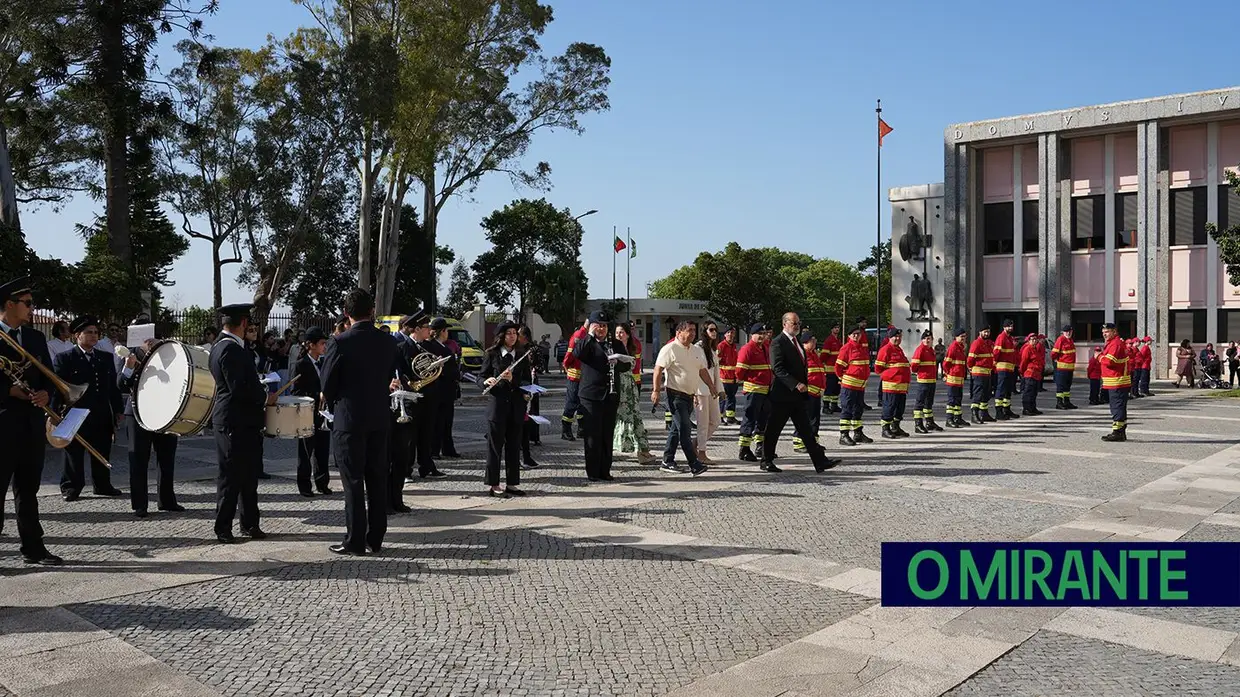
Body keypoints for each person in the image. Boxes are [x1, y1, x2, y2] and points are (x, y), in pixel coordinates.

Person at [320, 288, 407, 555]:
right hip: (380, 418)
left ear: (346, 313)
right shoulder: (388, 341)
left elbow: (327, 383)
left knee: (353, 481)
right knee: (377, 478)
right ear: (372, 312)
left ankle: (355, 539)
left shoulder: (340, 341)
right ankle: (376, 537)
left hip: (349, 419)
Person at [0, 277, 62, 565]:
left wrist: (46, 395)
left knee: (28, 491)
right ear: (9, 305)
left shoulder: (35, 338)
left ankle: (33, 548)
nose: (32, 309)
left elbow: (48, 376)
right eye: (27, 304)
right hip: (3, 425)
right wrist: (9, 391)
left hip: (31, 425)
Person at [209, 303, 276, 544]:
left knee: (248, 475)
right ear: (244, 323)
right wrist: (265, 397)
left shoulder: (227, 347)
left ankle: (249, 523)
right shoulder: (229, 349)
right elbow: (238, 387)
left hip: (243, 421)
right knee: (231, 475)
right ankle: (223, 527)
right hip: (233, 420)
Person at [51, 315, 124, 500]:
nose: (94, 336)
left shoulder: (105, 357)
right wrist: (53, 413)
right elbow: (57, 388)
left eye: (96, 333)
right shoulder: (65, 358)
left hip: (100, 412)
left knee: (102, 449)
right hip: (75, 413)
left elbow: (112, 387)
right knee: (73, 453)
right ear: (77, 335)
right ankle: (71, 487)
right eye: (89, 332)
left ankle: (102, 485)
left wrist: (118, 410)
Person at [762, 312, 838, 472]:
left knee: (806, 430)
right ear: (784, 324)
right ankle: (766, 460)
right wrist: (795, 384)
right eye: (793, 323)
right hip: (782, 395)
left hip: (797, 397)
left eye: (798, 323)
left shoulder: (796, 342)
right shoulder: (778, 343)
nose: (796, 326)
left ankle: (820, 462)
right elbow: (778, 369)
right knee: (774, 430)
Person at [119, 331, 184, 518]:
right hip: (138, 412)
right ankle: (140, 504)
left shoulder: (166, 352)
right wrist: (128, 368)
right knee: (138, 459)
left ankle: (167, 500)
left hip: (165, 412)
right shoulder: (128, 354)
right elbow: (121, 384)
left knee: (167, 458)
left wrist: (163, 346)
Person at [652, 319, 711, 476]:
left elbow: (702, 371)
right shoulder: (669, 349)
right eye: (689, 330)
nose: (692, 333)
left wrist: (712, 387)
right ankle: (694, 464)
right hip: (675, 395)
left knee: (676, 431)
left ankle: (667, 460)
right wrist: (656, 391)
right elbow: (658, 370)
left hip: (689, 395)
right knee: (685, 429)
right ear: (679, 332)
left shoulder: (696, 350)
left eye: (693, 330)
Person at [479, 321, 531, 498]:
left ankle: (512, 483)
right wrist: (486, 381)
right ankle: (493, 484)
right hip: (497, 407)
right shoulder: (492, 354)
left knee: (514, 447)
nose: (512, 336)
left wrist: (512, 381)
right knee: (494, 448)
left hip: (515, 407)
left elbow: (526, 383)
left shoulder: (522, 355)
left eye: (514, 333)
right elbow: (481, 376)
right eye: (508, 333)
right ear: (501, 336)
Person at [577, 311, 629, 481]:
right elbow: (578, 354)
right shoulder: (587, 343)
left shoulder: (615, 344)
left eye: (605, 325)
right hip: (591, 395)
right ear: (592, 325)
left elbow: (626, 365)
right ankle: (592, 471)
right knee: (593, 434)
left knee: (607, 433)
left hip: (611, 394)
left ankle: (605, 470)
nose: (602, 328)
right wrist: (589, 334)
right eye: (598, 325)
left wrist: (618, 363)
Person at [292, 327, 333, 497]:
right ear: (311, 345)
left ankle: (322, 483)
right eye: (322, 343)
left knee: (323, 450)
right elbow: (295, 392)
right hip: (307, 414)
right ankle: (304, 486)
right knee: (305, 451)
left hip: (323, 414)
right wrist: (317, 395)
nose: (325, 347)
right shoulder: (300, 365)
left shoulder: (324, 362)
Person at [613, 322, 656, 465]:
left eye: (622, 332)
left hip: (630, 386)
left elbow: (634, 367)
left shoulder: (633, 346)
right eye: (617, 332)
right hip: (617, 386)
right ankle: (611, 449)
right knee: (618, 418)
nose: (619, 335)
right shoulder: (611, 347)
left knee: (636, 417)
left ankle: (643, 450)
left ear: (627, 334)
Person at [425, 318, 462, 459]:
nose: (448, 334)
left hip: (447, 390)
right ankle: (435, 450)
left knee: (446, 422)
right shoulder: (433, 346)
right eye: (446, 330)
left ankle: (447, 448)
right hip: (441, 390)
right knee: (439, 422)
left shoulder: (443, 346)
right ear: (442, 331)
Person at [734, 323, 771, 461]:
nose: (762, 336)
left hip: (766, 390)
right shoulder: (747, 349)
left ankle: (760, 446)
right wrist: (750, 380)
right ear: (751, 335)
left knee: (763, 420)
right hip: (754, 390)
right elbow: (740, 372)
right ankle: (744, 449)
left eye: (763, 333)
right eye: (759, 334)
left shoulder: (765, 348)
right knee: (749, 419)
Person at [836, 325, 873, 444]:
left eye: (858, 334)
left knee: (858, 410)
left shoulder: (862, 348)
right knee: (847, 409)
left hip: (860, 386)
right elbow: (838, 367)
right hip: (849, 385)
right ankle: (844, 435)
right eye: (854, 334)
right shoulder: (846, 348)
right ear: (849, 336)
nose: (856, 336)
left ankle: (858, 433)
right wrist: (843, 378)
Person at [693, 320, 724, 465]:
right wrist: (693, 392)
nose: (714, 332)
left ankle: (694, 444)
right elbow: (695, 371)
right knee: (703, 423)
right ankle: (702, 453)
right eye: (711, 329)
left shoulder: (713, 349)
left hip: (712, 391)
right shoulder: (697, 348)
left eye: (715, 330)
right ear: (704, 331)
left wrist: (720, 389)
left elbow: (716, 372)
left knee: (715, 421)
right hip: (700, 390)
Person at [875, 327, 910, 439]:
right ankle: (885, 429)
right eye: (895, 336)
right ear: (890, 337)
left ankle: (896, 427)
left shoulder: (898, 349)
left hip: (901, 386)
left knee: (899, 408)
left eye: (899, 336)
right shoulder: (886, 349)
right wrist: (890, 376)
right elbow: (878, 368)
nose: (898, 338)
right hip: (891, 385)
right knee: (889, 407)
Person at [793, 331, 826, 451]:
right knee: (804, 419)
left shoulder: (814, 354)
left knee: (815, 419)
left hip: (816, 393)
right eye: (812, 340)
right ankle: (798, 442)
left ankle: (813, 443)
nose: (815, 342)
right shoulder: (802, 355)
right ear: (805, 342)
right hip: (807, 393)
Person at [1099, 323, 1131, 442]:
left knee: (1117, 407)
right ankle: (1120, 431)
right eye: (1103, 333)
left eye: (1107, 332)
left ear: (1114, 331)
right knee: (1119, 407)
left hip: (1117, 381)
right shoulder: (1113, 343)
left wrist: (1099, 357)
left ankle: (1117, 432)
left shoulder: (1115, 344)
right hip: (1115, 381)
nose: (1104, 334)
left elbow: (1109, 362)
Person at [517, 326, 542, 469]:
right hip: (517, 387)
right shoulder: (516, 350)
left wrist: (533, 370)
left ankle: (531, 442)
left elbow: (538, 366)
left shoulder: (531, 349)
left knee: (530, 415)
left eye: (517, 334)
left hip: (529, 385)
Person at [560, 318, 589, 440]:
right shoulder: (580, 335)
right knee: (571, 403)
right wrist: (566, 365)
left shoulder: (587, 335)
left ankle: (581, 429)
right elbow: (570, 354)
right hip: (575, 374)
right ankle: (566, 430)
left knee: (583, 404)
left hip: (584, 375)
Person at [909, 330, 942, 432]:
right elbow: (914, 366)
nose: (928, 340)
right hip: (923, 380)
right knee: (920, 402)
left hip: (931, 380)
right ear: (922, 340)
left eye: (930, 339)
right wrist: (919, 373)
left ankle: (929, 422)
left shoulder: (931, 350)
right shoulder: (920, 350)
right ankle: (918, 424)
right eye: (926, 339)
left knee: (929, 403)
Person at [991, 319, 1019, 420]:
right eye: (1008, 326)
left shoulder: (1010, 338)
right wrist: (994, 365)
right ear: (1004, 327)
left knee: (1008, 390)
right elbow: (996, 353)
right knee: (1001, 389)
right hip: (1002, 369)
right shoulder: (1001, 337)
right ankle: (999, 411)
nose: (1011, 328)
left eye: (1011, 326)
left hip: (1009, 369)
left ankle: (1006, 409)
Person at [967, 327, 996, 423]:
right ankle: (974, 414)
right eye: (985, 332)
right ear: (980, 332)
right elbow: (970, 360)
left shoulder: (989, 343)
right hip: (979, 372)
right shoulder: (976, 343)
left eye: (988, 331)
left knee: (986, 394)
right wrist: (971, 368)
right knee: (978, 394)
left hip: (987, 372)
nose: (987, 334)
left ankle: (984, 414)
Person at [942, 328, 970, 428]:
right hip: (953, 378)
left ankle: (958, 418)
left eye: (964, 336)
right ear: (956, 337)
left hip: (959, 378)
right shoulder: (953, 347)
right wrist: (948, 374)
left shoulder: (961, 347)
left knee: (958, 400)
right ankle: (949, 419)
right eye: (961, 337)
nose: (963, 338)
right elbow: (946, 364)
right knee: (952, 400)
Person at [1017, 333, 1045, 416]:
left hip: (1036, 374)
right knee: (1028, 392)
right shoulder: (1027, 349)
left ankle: (1032, 408)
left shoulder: (1035, 349)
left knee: (1033, 393)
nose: (1034, 341)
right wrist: (1022, 372)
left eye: (1035, 339)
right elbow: (1023, 362)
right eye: (1032, 339)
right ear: (1028, 341)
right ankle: (1026, 409)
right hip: (1030, 374)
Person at [1051, 325, 1079, 409]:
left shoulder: (1070, 340)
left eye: (1070, 331)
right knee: (1061, 386)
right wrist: (1056, 360)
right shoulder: (1061, 339)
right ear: (1063, 332)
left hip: (1069, 368)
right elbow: (1053, 354)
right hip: (1062, 368)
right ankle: (1059, 403)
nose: (1068, 333)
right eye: (1066, 332)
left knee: (1067, 386)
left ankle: (1067, 402)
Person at [717, 327, 740, 423]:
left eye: (732, 333)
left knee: (732, 398)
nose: (730, 334)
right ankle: (719, 417)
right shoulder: (721, 346)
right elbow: (716, 361)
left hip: (733, 378)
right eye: (728, 333)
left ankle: (730, 417)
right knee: (722, 398)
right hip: (724, 377)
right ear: (725, 335)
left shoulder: (734, 346)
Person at [819, 324, 842, 414]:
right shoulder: (829, 340)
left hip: (836, 369)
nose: (837, 329)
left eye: (838, 328)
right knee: (829, 388)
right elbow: (824, 355)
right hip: (830, 369)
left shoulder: (838, 340)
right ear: (831, 329)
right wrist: (822, 364)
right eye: (835, 328)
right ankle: (825, 406)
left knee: (836, 388)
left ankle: (834, 405)